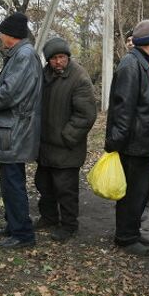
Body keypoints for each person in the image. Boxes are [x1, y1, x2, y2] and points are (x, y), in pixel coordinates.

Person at [104, 19, 149, 256]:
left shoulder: (144, 62)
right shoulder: (131, 66)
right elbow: (123, 108)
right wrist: (116, 143)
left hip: (143, 144)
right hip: (132, 145)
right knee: (132, 193)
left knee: (141, 191)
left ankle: (133, 230)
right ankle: (125, 237)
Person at [0, 12, 42, 249]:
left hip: (15, 129)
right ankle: (13, 224)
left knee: (13, 182)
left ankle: (23, 234)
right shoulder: (21, 54)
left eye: (2, 32)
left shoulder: (24, 56)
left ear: (11, 35)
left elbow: (10, 92)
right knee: (9, 181)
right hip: (13, 127)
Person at [33, 37, 96, 242]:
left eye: (61, 57)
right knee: (44, 184)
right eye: (53, 58)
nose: (58, 62)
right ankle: (48, 217)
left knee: (66, 189)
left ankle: (69, 225)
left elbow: (85, 115)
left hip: (66, 147)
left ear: (68, 57)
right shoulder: (45, 75)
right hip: (45, 145)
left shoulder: (79, 78)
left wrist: (66, 137)